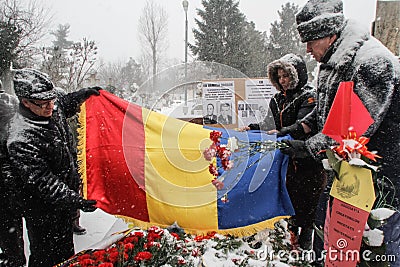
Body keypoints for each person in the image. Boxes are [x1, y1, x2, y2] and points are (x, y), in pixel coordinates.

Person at [282, 0, 400, 263]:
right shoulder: (332, 63)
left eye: (311, 40)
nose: (307, 49)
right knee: (332, 237)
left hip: (379, 182)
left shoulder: (372, 63)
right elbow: (327, 111)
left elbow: (355, 130)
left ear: (330, 34)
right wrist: (296, 129)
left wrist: (307, 148)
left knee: (375, 248)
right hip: (346, 172)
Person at [6, 68, 100, 267]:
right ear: (25, 102)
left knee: (66, 255)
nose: (51, 107)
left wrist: (82, 95)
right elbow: (44, 182)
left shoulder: (49, 109)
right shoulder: (21, 139)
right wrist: (76, 200)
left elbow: (63, 105)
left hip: (62, 208)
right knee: (46, 258)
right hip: (43, 213)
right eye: (44, 104)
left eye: (52, 101)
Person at [245, 53, 326, 250]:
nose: (282, 81)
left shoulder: (309, 97)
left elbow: (303, 125)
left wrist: (281, 132)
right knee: (289, 207)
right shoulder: (277, 99)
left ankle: (306, 251)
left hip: (306, 163)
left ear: (296, 75)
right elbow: (268, 123)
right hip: (285, 163)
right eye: (279, 77)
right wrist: (252, 128)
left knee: (306, 212)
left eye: (286, 76)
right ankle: (290, 245)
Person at [55, 87, 87, 235]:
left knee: (75, 188)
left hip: (74, 157)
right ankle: (70, 220)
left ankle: (75, 221)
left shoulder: (72, 117)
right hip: (64, 162)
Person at [0, 81, 25, 266]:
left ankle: (12, 258)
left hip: (5, 172)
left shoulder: (6, 104)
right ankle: (14, 256)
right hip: (12, 170)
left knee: (7, 222)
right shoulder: (14, 102)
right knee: (12, 223)